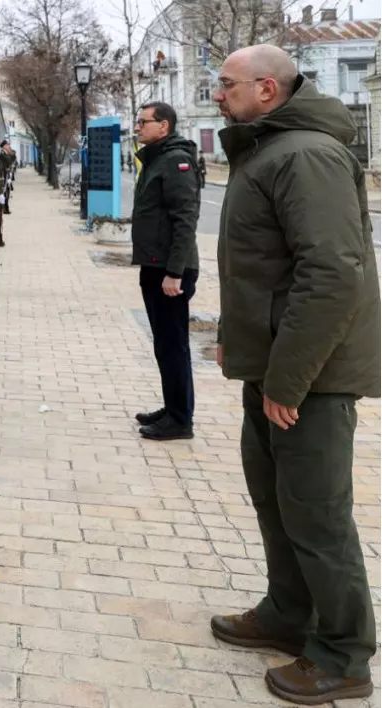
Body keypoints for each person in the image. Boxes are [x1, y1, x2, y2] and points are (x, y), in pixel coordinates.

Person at [209, 44, 379, 705]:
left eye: (226, 84)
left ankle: (342, 653)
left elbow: (332, 274)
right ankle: (289, 613)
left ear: (267, 92)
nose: (217, 93)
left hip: (310, 374)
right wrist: (237, 339)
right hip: (277, 365)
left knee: (316, 512)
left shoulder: (304, 154)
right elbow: (258, 267)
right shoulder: (269, 150)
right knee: (276, 499)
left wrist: (288, 379)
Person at [130, 101, 200, 441]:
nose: (138, 127)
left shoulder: (176, 161)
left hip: (170, 271)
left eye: (144, 122)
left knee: (173, 344)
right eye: (138, 121)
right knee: (164, 342)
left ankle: (180, 420)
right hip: (156, 266)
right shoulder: (158, 158)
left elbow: (185, 220)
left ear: (164, 126)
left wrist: (175, 272)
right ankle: (173, 407)